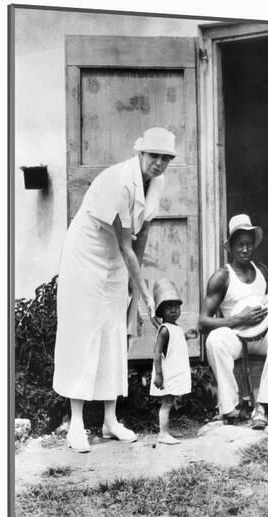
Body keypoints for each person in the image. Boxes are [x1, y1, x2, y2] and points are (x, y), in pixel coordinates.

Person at [53, 127, 177, 452]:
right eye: (154, 156)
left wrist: (139, 294)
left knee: (115, 331)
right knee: (85, 332)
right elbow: (127, 245)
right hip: (88, 252)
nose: (159, 163)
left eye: (165, 158)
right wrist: (147, 294)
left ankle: (110, 420)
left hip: (118, 256)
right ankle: (77, 424)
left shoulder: (157, 182)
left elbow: (142, 236)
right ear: (141, 154)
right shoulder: (120, 181)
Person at [198, 214, 268, 430]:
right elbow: (202, 322)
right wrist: (239, 319)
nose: (245, 249)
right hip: (235, 338)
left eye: (249, 244)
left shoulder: (263, 273)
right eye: (240, 245)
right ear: (230, 247)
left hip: (260, 337)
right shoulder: (222, 277)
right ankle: (230, 408)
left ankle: (263, 407)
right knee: (215, 340)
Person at [149, 279, 197, 444]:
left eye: (176, 306)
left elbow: (175, 345)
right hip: (166, 374)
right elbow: (157, 353)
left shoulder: (175, 328)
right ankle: (163, 434)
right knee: (166, 403)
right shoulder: (164, 330)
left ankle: (166, 430)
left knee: (170, 402)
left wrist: (186, 336)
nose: (174, 310)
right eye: (169, 307)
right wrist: (159, 375)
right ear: (161, 311)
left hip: (173, 373)